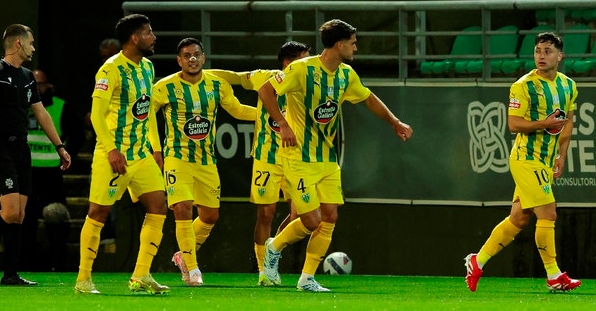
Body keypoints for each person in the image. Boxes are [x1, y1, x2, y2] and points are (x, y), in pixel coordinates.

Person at [259, 19, 413, 292]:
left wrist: (395, 122)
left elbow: (367, 98)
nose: (356, 47)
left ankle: (307, 278)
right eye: (353, 42)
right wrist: (283, 124)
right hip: (298, 157)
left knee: (330, 216)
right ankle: (274, 246)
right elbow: (265, 90)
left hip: (327, 158)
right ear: (339, 44)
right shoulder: (301, 69)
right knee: (311, 221)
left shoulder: (346, 74)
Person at [464, 32, 580, 292]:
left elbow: (569, 121)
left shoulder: (568, 86)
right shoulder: (523, 86)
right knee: (548, 212)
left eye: (548, 51)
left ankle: (477, 260)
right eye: (538, 50)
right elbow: (513, 124)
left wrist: (563, 154)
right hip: (526, 159)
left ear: (560, 56)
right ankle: (553, 276)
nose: (541, 55)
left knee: (519, 218)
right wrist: (544, 124)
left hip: (546, 160)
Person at [0, 25, 71, 286]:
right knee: (11, 212)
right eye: (31, 43)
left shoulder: (26, 76)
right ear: (18, 44)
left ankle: (10, 274)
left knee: (20, 215)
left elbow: (41, 113)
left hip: (21, 149)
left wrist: (60, 146)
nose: (34, 48)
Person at [74, 13, 169, 295]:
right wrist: (112, 149)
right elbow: (97, 116)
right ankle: (83, 280)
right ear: (134, 38)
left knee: (158, 206)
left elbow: (147, 110)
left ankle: (141, 275)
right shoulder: (110, 70)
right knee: (99, 212)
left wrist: (156, 147)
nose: (153, 38)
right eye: (149, 33)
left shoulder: (148, 68)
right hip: (112, 154)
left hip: (140, 154)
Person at [150, 38, 257, 286]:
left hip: (207, 160)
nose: (192, 59)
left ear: (204, 57)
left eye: (196, 54)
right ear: (179, 61)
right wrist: (157, 150)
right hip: (177, 158)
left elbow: (238, 109)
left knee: (210, 216)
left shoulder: (216, 84)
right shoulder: (164, 87)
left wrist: (269, 115)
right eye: (187, 55)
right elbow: (147, 118)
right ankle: (193, 268)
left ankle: (182, 256)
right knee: (182, 208)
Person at [209, 41, 311, 286]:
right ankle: (263, 270)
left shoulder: (309, 82)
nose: (309, 63)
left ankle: (272, 253)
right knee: (266, 213)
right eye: (304, 58)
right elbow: (234, 77)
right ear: (288, 63)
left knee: (302, 216)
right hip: (267, 157)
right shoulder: (265, 78)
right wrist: (200, 73)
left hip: (296, 158)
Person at [23, 68, 84, 271]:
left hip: (51, 174)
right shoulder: (21, 106)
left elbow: (77, 136)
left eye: (40, 84)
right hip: (27, 172)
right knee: (26, 220)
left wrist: (66, 156)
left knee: (57, 219)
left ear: (48, 85)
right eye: (34, 83)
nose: (37, 88)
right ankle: (26, 264)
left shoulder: (60, 107)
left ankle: (58, 264)